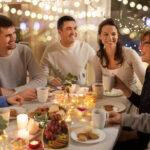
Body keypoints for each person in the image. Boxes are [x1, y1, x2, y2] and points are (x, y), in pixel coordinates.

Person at [108, 30, 150, 150]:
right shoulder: (149, 70)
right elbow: (143, 104)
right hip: (142, 130)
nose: (140, 47)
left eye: (144, 43)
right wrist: (122, 87)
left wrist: (130, 134)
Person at [0, 15, 47, 100]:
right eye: (8, 35)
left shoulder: (24, 50)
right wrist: (18, 94)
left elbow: (41, 79)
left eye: (14, 33)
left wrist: (14, 92)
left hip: (22, 104)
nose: (13, 38)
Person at [92, 18, 146, 94]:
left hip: (132, 100)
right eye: (106, 34)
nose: (110, 38)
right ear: (100, 36)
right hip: (109, 99)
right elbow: (98, 84)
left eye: (113, 34)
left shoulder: (130, 54)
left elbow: (146, 82)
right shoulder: (97, 58)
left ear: (117, 36)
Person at [40, 15, 96, 86]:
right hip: (59, 92)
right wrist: (50, 79)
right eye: (69, 29)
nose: (73, 32)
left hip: (81, 92)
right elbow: (42, 71)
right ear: (60, 32)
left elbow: (99, 64)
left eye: (75, 28)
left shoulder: (85, 47)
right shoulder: (51, 49)